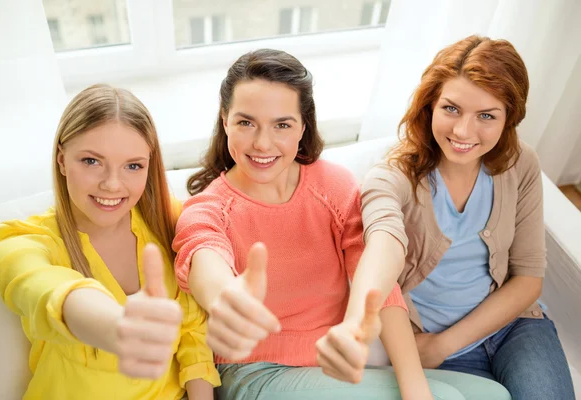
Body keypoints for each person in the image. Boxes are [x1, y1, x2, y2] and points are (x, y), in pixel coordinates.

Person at [172, 49, 507, 399]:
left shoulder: (332, 187)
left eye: (282, 125)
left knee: (495, 395)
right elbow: (203, 257)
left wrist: (414, 387)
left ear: (303, 126)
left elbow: (381, 285)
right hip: (256, 375)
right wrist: (228, 300)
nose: (262, 143)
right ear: (225, 120)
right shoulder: (207, 208)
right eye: (245, 122)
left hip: (333, 368)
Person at [358, 35, 576, 399]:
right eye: (451, 109)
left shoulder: (521, 164)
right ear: (430, 105)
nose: (462, 132)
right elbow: (380, 249)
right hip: (428, 343)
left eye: (486, 116)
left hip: (513, 328)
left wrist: (444, 345)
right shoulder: (391, 177)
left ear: (509, 119)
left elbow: (527, 280)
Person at [0, 84, 220, 399]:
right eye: (92, 161)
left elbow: (193, 335)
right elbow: (46, 290)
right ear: (62, 160)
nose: (112, 184)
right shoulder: (20, 241)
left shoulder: (168, 221)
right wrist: (117, 327)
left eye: (133, 166)